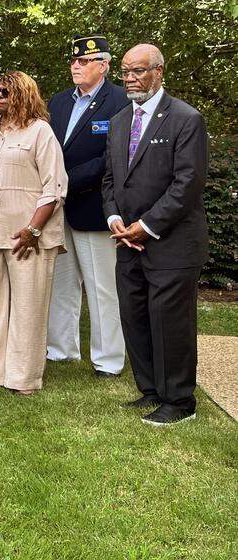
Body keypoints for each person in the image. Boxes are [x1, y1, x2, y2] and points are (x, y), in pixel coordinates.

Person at [103, 44, 208, 426]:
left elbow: (187, 184)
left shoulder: (185, 119)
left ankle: (179, 401)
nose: (130, 78)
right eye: (126, 72)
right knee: (135, 316)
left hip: (172, 244)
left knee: (170, 322)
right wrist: (115, 218)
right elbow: (111, 179)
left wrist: (146, 226)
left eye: (139, 71)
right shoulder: (118, 122)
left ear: (159, 72)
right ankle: (150, 390)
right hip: (127, 242)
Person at [0, 71, 67, 395]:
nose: (0, 96)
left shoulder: (40, 132)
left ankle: (24, 378)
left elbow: (55, 187)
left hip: (27, 238)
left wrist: (34, 228)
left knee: (27, 308)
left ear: (24, 95)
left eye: (7, 91)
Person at [45, 34, 131, 377]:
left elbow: (112, 157)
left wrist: (63, 183)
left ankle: (108, 359)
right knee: (60, 284)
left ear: (105, 65)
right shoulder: (60, 101)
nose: (76, 66)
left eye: (85, 61)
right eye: (74, 61)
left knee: (102, 288)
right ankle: (61, 350)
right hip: (56, 208)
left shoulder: (120, 101)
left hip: (95, 207)